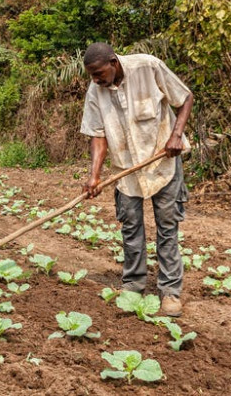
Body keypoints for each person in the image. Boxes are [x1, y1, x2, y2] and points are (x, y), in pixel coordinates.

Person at [79, 42, 193, 317]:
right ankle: (134, 285)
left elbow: (184, 97)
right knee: (131, 228)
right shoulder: (96, 90)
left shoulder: (148, 66)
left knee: (167, 229)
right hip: (125, 170)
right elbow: (98, 135)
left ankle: (170, 292)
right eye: (91, 75)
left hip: (162, 164)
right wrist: (93, 176)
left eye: (98, 73)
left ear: (113, 63)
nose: (95, 80)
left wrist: (176, 135)